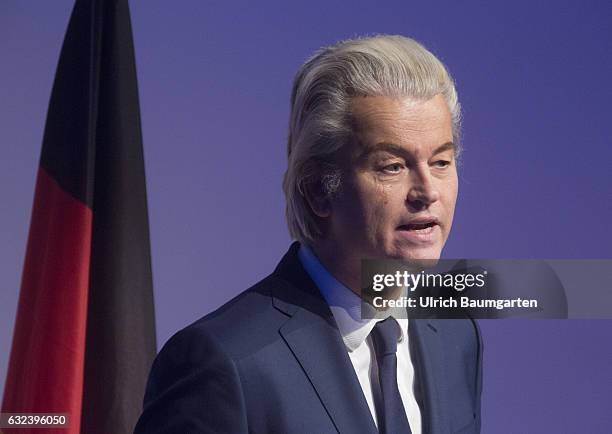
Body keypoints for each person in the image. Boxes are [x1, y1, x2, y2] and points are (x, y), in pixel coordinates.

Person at [134, 35, 483, 434]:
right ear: (318, 189)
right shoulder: (223, 363)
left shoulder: (455, 333)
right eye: (392, 166)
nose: (428, 192)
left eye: (441, 161)